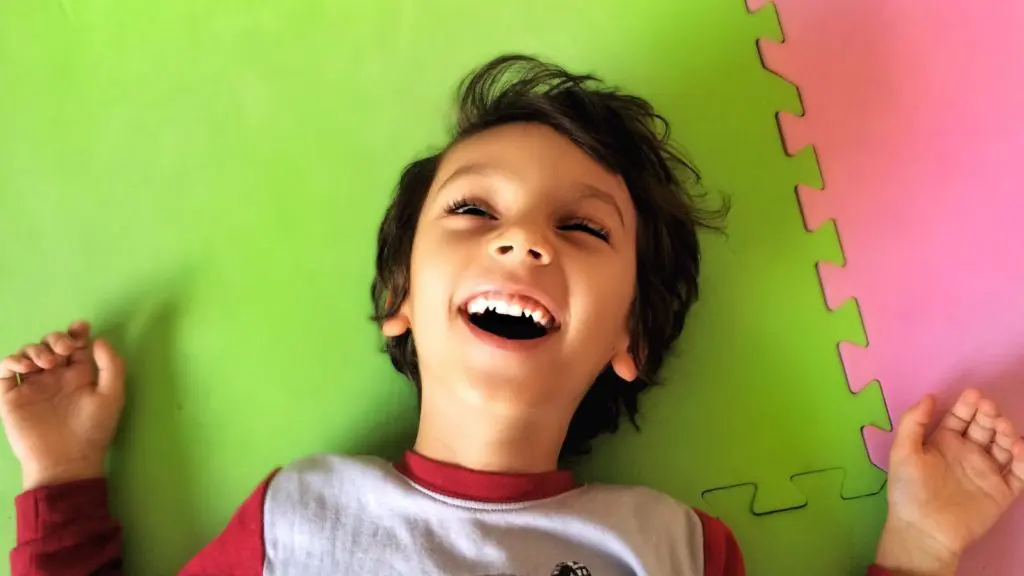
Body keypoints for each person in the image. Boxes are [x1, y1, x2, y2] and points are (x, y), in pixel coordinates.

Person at [3, 54, 1023, 576]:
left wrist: (922, 547)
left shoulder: (669, 545)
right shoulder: (297, 515)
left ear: (629, 339)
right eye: (474, 209)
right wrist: (62, 473)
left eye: (582, 229)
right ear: (402, 302)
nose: (523, 241)